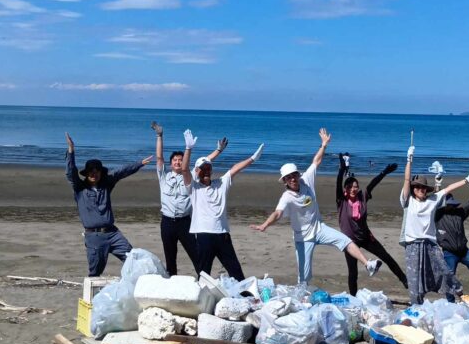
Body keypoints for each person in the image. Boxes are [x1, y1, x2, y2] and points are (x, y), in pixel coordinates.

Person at [250, 128, 381, 285]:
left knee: (346, 241)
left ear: (298, 175)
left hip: (319, 228)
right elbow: (277, 213)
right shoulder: (286, 198)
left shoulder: (306, 180)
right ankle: (302, 296)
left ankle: (368, 265)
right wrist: (265, 224)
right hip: (303, 238)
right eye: (288, 178)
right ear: (284, 181)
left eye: (294, 175)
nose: (292, 179)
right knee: (304, 277)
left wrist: (324, 145)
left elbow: (316, 161)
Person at [64, 132, 152, 277]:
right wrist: (71, 149)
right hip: (94, 236)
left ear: (101, 173)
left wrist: (139, 164)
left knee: (132, 258)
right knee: (95, 272)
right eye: (91, 172)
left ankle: (136, 287)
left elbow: (121, 172)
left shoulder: (106, 184)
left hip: (113, 233)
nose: (94, 174)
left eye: (97, 171)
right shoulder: (79, 188)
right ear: (86, 174)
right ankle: (91, 299)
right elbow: (70, 172)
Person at [180, 129, 264, 280]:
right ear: (197, 171)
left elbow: (235, 169)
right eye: (203, 169)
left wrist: (253, 158)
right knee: (203, 274)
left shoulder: (221, 183)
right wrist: (188, 149)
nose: (206, 171)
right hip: (203, 235)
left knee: (236, 272)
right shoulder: (193, 187)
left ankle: (245, 299)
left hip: (222, 235)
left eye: (208, 168)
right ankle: (202, 300)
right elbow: (184, 169)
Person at [400, 141, 469, 305]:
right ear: (413, 188)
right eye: (418, 187)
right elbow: (406, 180)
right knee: (415, 280)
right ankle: (416, 306)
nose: (421, 189)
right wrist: (409, 160)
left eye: (424, 187)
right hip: (413, 245)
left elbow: (447, 189)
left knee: (444, 271)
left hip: (430, 244)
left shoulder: (433, 199)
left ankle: (460, 293)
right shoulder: (408, 201)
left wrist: (466, 181)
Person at [152, 121, 225, 276]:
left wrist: (218, 150)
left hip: (186, 222)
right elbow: (159, 158)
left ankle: (204, 280)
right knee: (170, 257)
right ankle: (172, 283)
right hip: (167, 222)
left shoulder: (190, 176)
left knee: (196, 254)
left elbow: (206, 162)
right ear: (171, 164)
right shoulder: (164, 176)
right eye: (175, 160)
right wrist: (159, 135)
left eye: (180, 159)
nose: (178, 162)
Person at [336, 153, 408, 294]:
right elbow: (338, 181)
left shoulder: (362, 197)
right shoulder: (341, 200)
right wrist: (342, 168)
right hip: (350, 242)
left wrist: (385, 172)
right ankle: (354, 298)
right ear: (345, 189)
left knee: (386, 257)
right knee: (353, 272)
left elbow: (372, 184)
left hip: (366, 237)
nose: (353, 189)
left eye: (355, 186)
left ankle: (404, 280)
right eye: (350, 187)